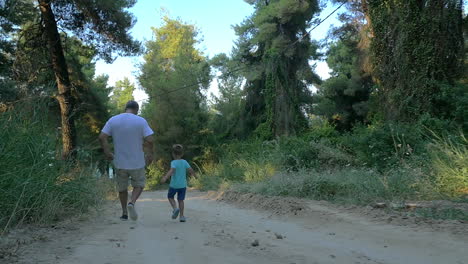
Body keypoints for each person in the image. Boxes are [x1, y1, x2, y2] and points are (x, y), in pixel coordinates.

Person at [99, 100, 154, 221]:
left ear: (126, 108)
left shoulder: (113, 120)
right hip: (137, 162)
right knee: (139, 185)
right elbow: (150, 140)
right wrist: (149, 155)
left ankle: (124, 213)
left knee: (122, 188)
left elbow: (102, 137)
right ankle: (132, 203)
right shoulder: (141, 121)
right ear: (137, 110)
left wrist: (107, 152)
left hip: (120, 162)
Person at [161, 144, 195, 222]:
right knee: (181, 200)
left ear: (173, 154)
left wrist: (165, 177)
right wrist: (195, 176)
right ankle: (182, 216)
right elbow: (190, 170)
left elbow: (172, 170)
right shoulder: (184, 162)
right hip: (182, 185)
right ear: (182, 154)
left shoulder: (173, 162)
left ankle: (175, 208)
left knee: (170, 197)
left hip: (174, 185)